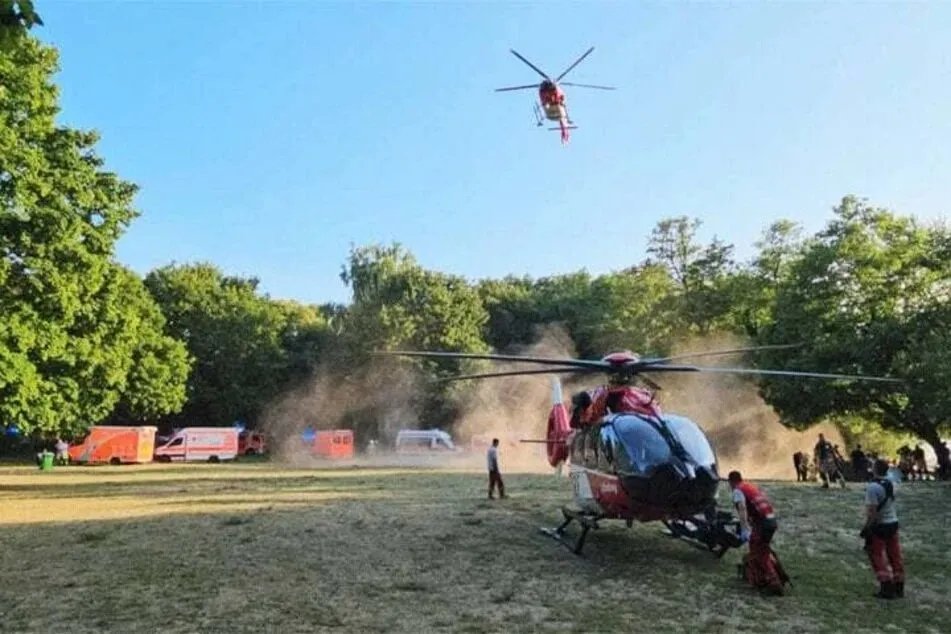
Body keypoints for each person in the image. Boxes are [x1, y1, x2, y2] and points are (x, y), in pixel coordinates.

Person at [728, 471, 786, 595]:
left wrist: (744, 528)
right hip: (771, 520)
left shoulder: (737, 491)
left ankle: (773, 582)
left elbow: (742, 508)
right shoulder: (749, 487)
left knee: (759, 552)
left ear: (731, 482)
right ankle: (767, 576)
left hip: (762, 523)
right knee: (760, 549)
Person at [861, 459, 904, 599]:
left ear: (874, 469)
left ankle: (886, 586)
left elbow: (872, 511)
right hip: (893, 522)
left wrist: (867, 527)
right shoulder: (892, 482)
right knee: (894, 555)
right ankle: (899, 585)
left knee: (876, 555)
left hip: (880, 525)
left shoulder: (872, 487)